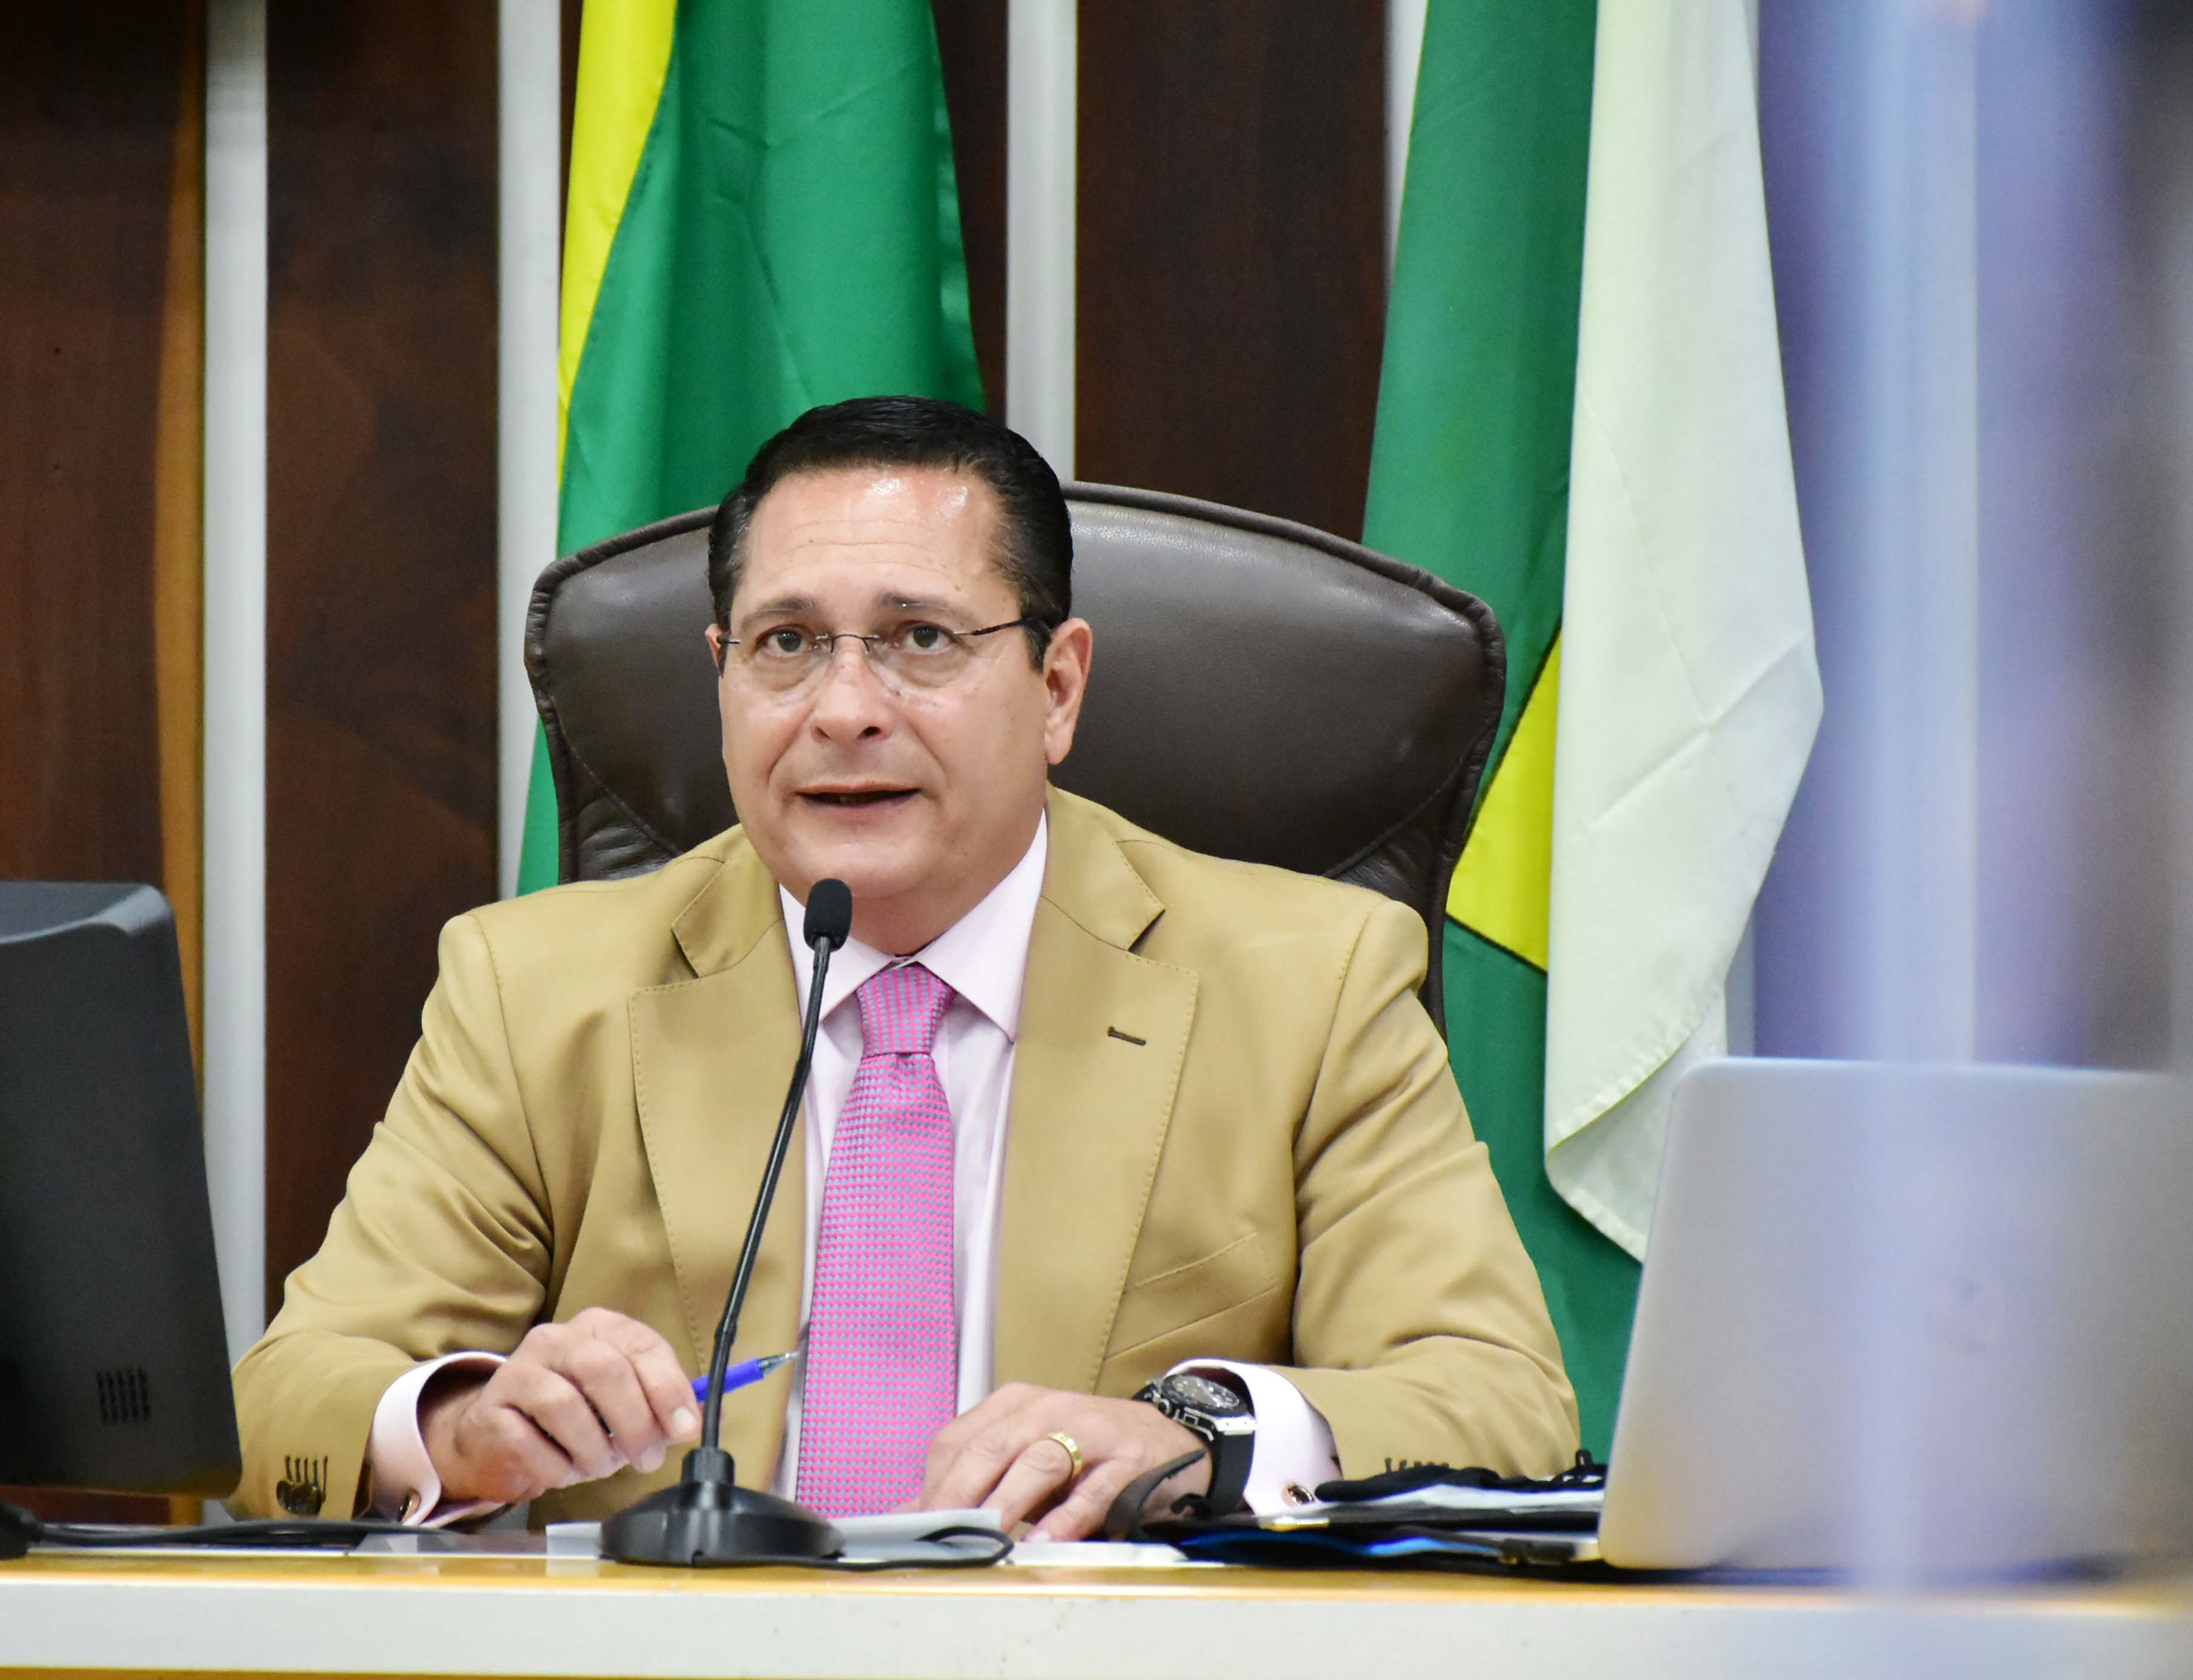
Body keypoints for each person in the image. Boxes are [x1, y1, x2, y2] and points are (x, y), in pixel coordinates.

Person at [231, 395, 1576, 1538]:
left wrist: (1197, 1436)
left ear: (1057, 688)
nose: (844, 710)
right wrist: (461, 1427)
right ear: (720, 678)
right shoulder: (534, 990)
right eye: (786, 644)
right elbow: (279, 1407)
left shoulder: (1306, 984)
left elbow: (1502, 1406)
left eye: (921, 640)